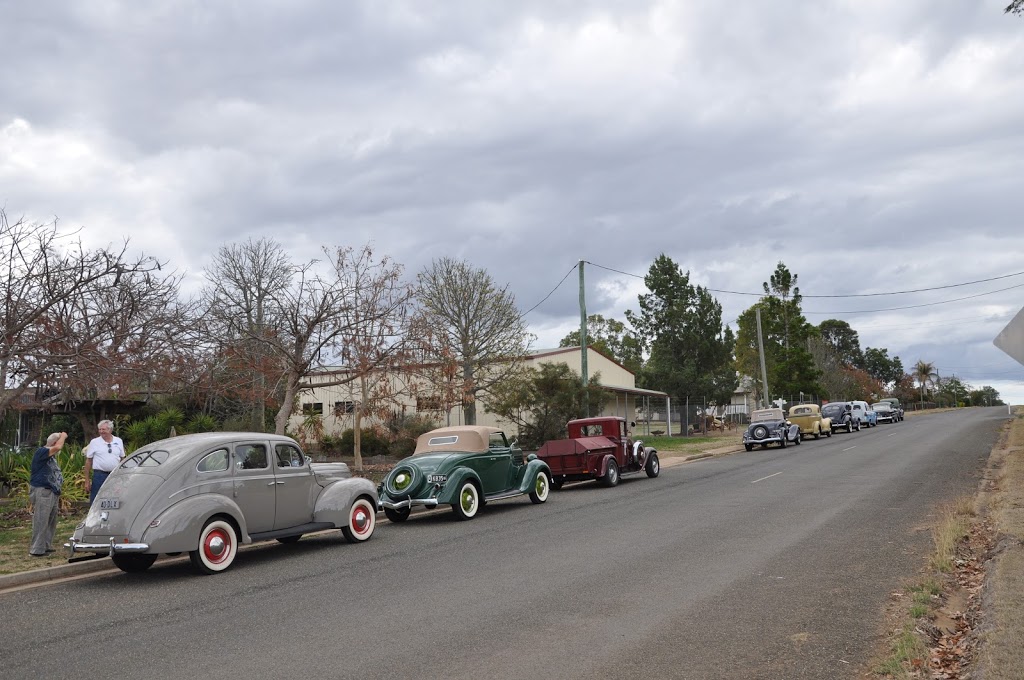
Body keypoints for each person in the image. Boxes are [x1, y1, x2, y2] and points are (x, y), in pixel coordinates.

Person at [29, 431, 68, 557]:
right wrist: (63, 435)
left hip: (52, 491)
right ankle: (36, 549)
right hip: (43, 490)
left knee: (50, 520)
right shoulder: (41, 451)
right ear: (54, 442)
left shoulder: (50, 456)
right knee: (41, 519)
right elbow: (58, 447)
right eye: (60, 441)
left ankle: (45, 545)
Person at [84, 419, 125, 504]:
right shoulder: (94, 442)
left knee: (115, 498)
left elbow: (122, 459)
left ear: (110, 430)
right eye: (100, 429)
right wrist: (87, 480)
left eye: (103, 429)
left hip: (115, 475)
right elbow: (88, 461)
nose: (101, 431)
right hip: (99, 475)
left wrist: (123, 475)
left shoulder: (118, 441)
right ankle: (94, 516)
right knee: (96, 499)